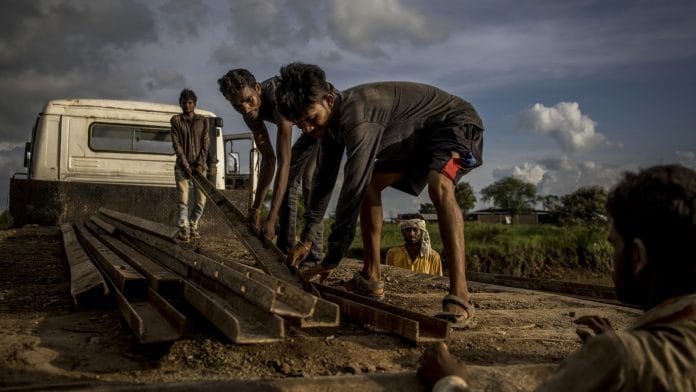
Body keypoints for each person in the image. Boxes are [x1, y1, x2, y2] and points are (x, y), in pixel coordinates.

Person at [418, 164, 696, 391]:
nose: (613, 260)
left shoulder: (619, 357)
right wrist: (632, 341)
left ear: (637, 257)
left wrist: (450, 381)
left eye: (614, 245)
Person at [278, 63, 483, 327]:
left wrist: (333, 257)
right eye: (299, 124)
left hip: (454, 124)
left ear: (328, 100)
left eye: (310, 118)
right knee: (372, 185)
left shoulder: (358, 116)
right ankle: (371, 277)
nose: (306, 128)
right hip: (416, 140)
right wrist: (307, 238)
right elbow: (323, 182)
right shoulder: (328, 127)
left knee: (439, 183)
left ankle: (461, 296)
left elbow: (352, 185)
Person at [218, 69, 323, 262]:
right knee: (291, 179)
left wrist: (272, 217)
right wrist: (256, 210)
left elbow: (284, 162)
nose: (246, 109)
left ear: (257, 89)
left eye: (249, 100)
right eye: (237, 106)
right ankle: (285, 249)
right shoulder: (248, 114)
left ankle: (314, 255)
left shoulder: (279, 99)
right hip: (309, 130)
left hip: (326, 123)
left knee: (308, 180)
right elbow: (269, 160)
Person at [170, 88, 210, 242]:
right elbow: (177, 145)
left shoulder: (203, 120)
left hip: (200, 168)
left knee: (201, 200)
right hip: (182, 167)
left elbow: (206, 144)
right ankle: (183, 230)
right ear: (180, 104)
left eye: (190, 102)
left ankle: (193, 225)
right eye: (184, 103)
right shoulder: (176, 121)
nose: (187, 105)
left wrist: (200, 164)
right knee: (183, 200)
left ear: (194, 104)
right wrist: (186, 165)